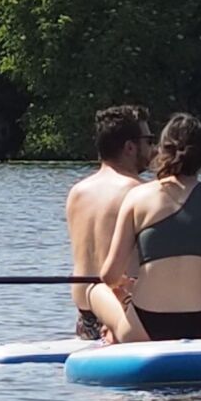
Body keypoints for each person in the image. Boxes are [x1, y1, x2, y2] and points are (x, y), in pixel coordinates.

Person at [87, 113, 201, 342]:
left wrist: (124, 291)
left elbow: (109, 275)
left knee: (95, 291)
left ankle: (115, 331)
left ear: (162, 152)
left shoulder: (136, 198)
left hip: (144, 329)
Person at [65, 105, 155, 339]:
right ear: (129, 147)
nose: (153, 149)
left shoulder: (77, 192)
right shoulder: (139, 192)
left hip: (86, 317)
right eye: (149, 140)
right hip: (123, 310)